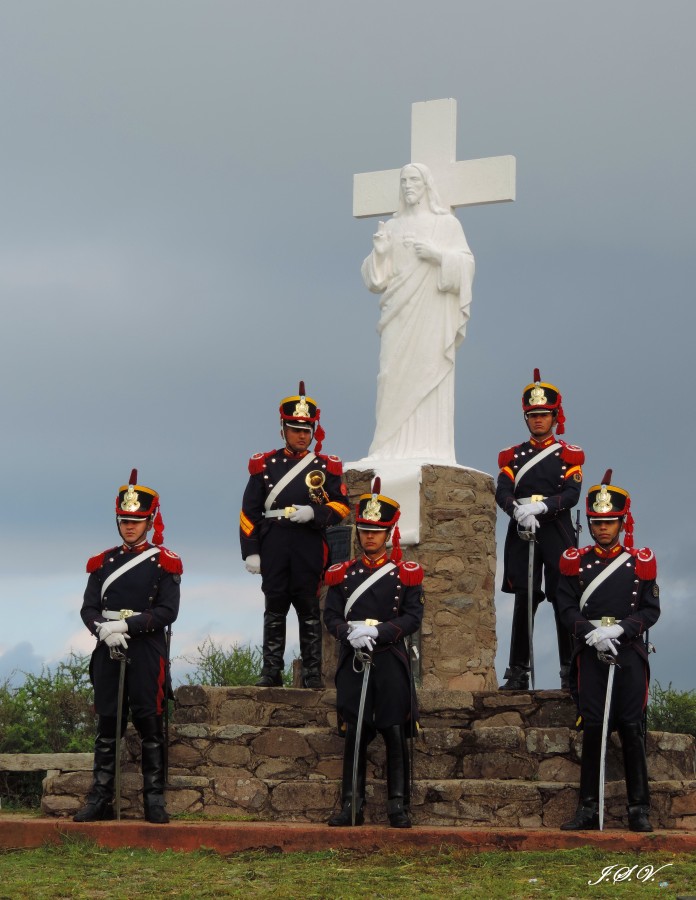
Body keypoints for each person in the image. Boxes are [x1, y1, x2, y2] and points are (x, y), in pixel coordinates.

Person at [74, 470, 182, 825]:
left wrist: (128, 625)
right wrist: (104, 630)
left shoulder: (164, 561)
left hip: (146, 650)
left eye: (137, 521)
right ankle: (100, 797)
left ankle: (154, 800)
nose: (130, 527)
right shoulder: (102, 562)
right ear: (118, 520)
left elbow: (168, 611)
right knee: (108, 727)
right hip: (108, 648)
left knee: (150, 726)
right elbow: (88, 608)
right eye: (125, 520)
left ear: (150, 521)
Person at [557, 471, 659, 832]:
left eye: (609, 522)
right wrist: (590, 633)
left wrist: (621, 629)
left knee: (631, 730)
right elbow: (566, 607)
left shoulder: (640, 562)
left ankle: (638, 809)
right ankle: (587, 808)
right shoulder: (575, 562)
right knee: (594, 730)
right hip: (592, 655)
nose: (603, 528)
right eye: (597, 522)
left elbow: (650, 610)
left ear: (622, 522)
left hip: (627, 654)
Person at [323, 479, 424, 828]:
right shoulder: (342, 574)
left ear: (389, 533)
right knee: (355, 731)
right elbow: (330, 615)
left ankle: (398, 805)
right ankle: (351, 804)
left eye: (377, 531)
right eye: (365, 529)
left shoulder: (405, 575)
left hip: (389, 660)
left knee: (394, 729)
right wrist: (349, 633)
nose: (370, 537)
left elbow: (413, 617)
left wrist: (379, 632)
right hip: (353, 660)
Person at [361, 163, 475, 462]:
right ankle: (386, 446)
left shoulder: (446, 225)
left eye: (414, 180)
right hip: (398, 313)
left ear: (426, 185)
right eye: (403, 180)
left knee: (430, 368)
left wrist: (437, 255)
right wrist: (382, 251)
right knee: (389, 374)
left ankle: (429, 446)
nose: (408, 186)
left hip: (433, 314)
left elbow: (466, 266)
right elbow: (376, 281)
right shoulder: (393, 227)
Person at [240, 381, 350, 688]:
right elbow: (249, 511)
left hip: (308, 542)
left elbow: (342, 506)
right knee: (274, 608)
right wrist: (251, 549)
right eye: (295, 429)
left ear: (313, 431)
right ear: (283, 429)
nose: (301, 435)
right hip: (274, 541)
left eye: (306, 430)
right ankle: (270, 671)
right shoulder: (264, 465)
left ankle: (312, 674)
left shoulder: (325, 467)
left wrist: (316, 513)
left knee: (308, 609)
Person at [496, 369, 584, 690]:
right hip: (522, 531)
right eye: (532, 415)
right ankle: (517, 672)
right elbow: (502, 490)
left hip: (556, 529)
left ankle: (569, 670)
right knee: (524, 598)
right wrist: (517, 510)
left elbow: (572, 494)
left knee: (564, 600)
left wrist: (543, 506)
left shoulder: (567, 454)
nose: (538, 420)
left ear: (554, 417)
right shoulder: (513, 456)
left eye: (543, 415)